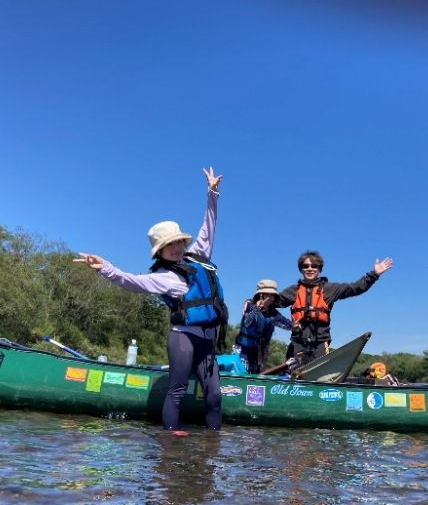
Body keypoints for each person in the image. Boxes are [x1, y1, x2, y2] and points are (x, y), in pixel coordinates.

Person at [74, 167, 227, 434]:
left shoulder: (198, 255)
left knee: (214, 395)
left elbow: (209, 225)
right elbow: (131, 281)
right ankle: (170, 433)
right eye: (170, 246)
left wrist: (212, 193)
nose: (177, 248)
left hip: (207, 339)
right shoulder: (163, 277)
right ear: (161, 251)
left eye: (178, 243)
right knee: (177, 388)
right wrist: (105, 267)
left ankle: (214, 438)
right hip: (183, 337)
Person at [277, 251, 394, 366]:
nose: (310, 269)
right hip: (297, 344)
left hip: (320, 345)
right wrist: (261, 300)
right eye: (305, 266)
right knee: (292, 375)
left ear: (319, 269)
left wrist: (374, 274)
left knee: (318, 378)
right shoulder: (293, 291)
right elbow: (271, 303)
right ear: (301, 269)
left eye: (314, 266)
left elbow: (355, 288)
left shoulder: (330, 289)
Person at [234, 279, 292, 374]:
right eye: (268, 294)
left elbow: (286, 324)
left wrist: (297, 326)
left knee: (257, 379)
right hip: (243, 351)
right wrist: (257, 308)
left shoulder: (273, 313)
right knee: (243, 377)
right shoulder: (250, 306)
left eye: (272, 295)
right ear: (261, 295)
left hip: (260, 354)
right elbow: (247, 322)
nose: (271, 298)